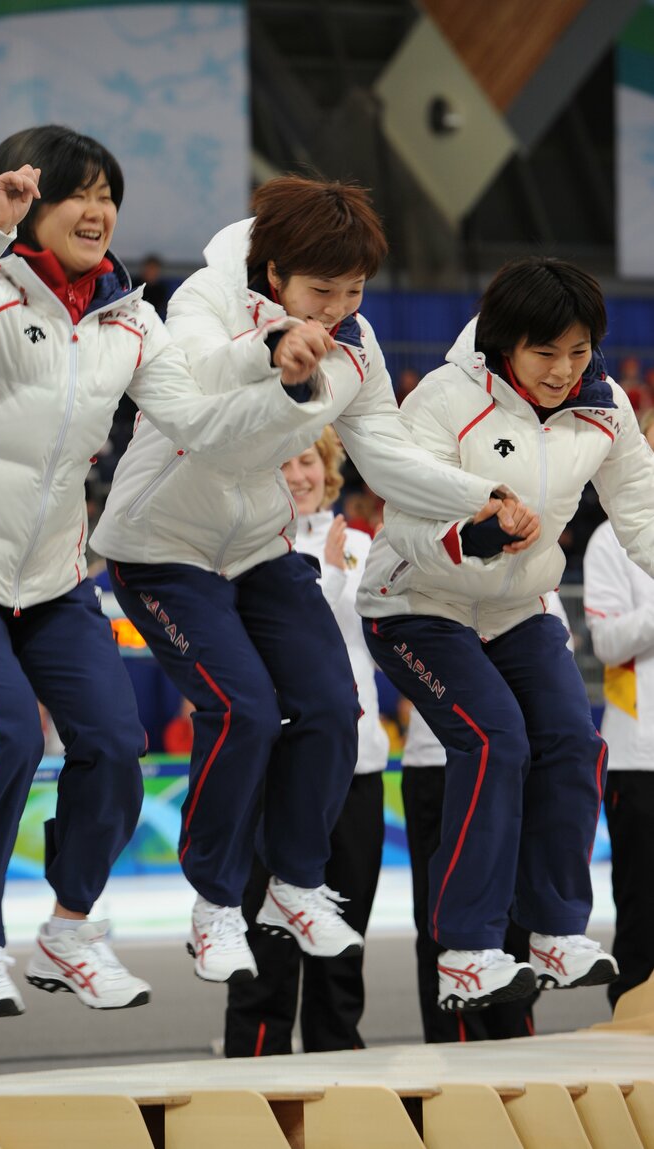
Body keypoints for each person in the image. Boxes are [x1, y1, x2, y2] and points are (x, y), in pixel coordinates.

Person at [0, 125, 326, 1020]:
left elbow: (194, 413)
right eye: (74, 193)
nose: (97, 210)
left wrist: (266, 355)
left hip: (52, 580)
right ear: (27, 202)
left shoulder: (128, 315)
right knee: (9, 736)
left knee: (117, 744)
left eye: (107, 193)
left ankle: (70, 926)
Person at [91, 174, 532, 985]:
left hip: (258, 545)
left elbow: (388, 455)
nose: (337, 308)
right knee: (244, 708)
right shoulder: (205, 302)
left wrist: (485, 497)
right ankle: (216, 902)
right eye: (320, 292)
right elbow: (190, 398)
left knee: (333, 705)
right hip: (160, 545)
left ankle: (293, 884)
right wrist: (271, 358)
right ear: (273, 279)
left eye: (354, 290)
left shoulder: (354, 347)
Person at [358, 255, 654, 1013]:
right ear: (503, 341)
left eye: (579, 350)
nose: (563, 370)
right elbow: (407, 515)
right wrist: (479, 534)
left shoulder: (604, 406)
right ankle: (466, 950)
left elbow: (642, 513)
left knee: (569, 738)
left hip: (518, 606)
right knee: (494, 739)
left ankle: (555, 930)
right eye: (544, 351)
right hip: (416, 600)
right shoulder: (444, 399)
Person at [224, 428, 388, 1055]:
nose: (298, 475)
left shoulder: (367, 544)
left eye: (308, 460)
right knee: (265, 947)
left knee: (343, 946)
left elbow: (371, 637)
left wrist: (346, 572)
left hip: (358, 766)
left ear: (329, 468)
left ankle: (339, 1075)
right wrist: (330, 577)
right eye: (283, 463)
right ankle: (252, 1082)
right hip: (275, 768)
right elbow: (276, 638)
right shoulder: (245, 550)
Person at [401, 589, 572, 1041]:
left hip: (515, 769)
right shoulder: (428, 561)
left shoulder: (539, 584)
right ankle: (454, 1067)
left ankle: (516, 1048)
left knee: (516, 921)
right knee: (446, 923)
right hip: (439, 764)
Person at [583, 408, 654, 1010]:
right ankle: (632, 1032)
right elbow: (607, 642)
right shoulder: (611, 540)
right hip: (639, 755)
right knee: (641, 909)